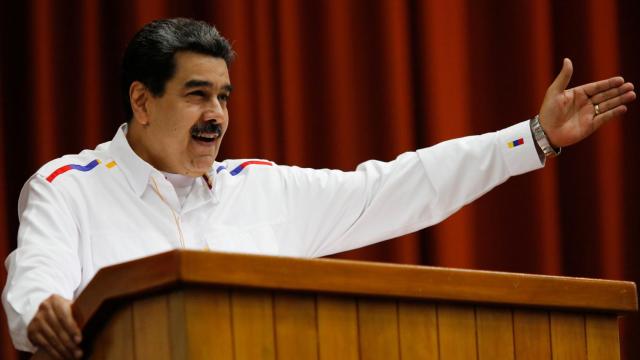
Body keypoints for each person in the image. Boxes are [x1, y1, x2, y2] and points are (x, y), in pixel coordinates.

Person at [2, 18, 636, 359]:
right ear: (142, 101)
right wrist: (43, 314)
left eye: (224, 95)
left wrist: (535, 138)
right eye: (198, 95)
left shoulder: (263, 190)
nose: (219, 114)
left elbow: (400, 185)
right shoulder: (67, 189)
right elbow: (35, 284)